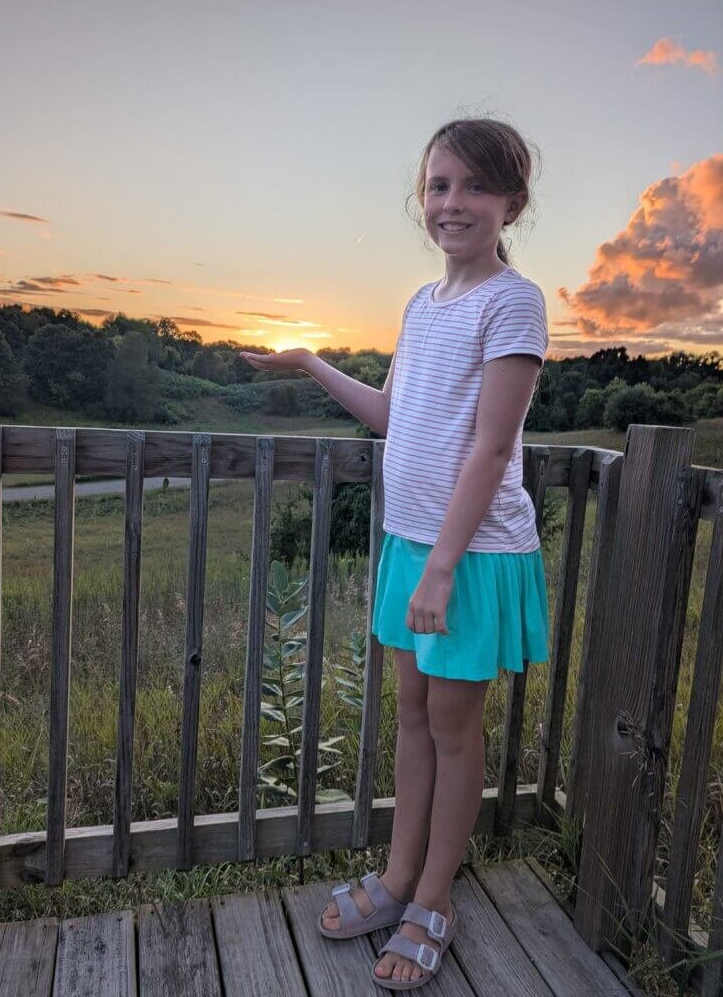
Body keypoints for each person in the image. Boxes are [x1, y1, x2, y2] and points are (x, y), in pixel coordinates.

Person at [240, 116, 550, 990]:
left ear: (510, 204)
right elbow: (391, 416)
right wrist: (308, 361)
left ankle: (434, 900)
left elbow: (491, 449)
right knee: (412, 722)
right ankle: (398, 874)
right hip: (412, 544)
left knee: (453, 731)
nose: (451, 204)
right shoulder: (422, 304)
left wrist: (446, 565)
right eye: (439, 185)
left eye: (473, 188)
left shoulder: (510, 300)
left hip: (470, 553)